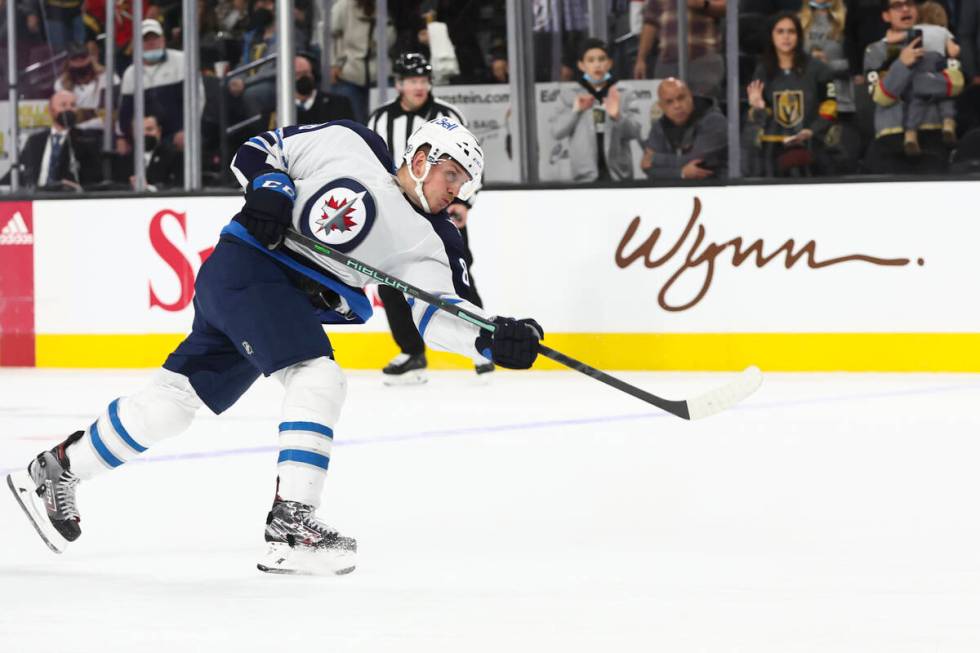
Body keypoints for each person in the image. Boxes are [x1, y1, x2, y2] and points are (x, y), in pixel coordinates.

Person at [6, 116, 543, 575]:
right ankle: (291, 525)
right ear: (423, 156)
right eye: (453, 174)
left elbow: (438, 315)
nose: (457, 190)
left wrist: (493, 337)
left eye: (464, 183)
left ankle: (59, 466)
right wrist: (270, 186)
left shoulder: (434, 241)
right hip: (249, 267)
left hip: (273, 299)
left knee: (171, 405)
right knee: (318, 377)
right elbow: (260, 149)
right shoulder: (349, 140)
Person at [367, 52, 493, 384]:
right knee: (389, 280)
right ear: (399, 84)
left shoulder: (449, 115)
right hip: (395, 212)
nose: (418, 86)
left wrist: (464, 202)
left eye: (423, 80)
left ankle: (481, 342)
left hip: (441, 208)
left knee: (457, 273)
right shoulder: (380, 119)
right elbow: (374, 164)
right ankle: (412, 352)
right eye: (412, 81)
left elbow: (472, 167)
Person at [863, 0, 964, 173]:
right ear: (886, 16)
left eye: (909, 3)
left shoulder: (939, 43)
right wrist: (902, 64)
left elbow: (956, 84)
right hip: (890, 139)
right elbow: (881, 97)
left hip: (932, 135)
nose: (905, 9)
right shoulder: (875, 51)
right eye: (897, 5)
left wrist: (915, 82)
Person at [746, 12, 838, 177]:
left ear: (799, 36)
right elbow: (758, 120)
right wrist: (758, 108)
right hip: (774, 151)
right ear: (771, 36)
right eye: (780, 31)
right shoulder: (762, 71)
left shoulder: (818, 69)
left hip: (812, 148)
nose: (786, 37)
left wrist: (812, 130)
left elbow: (830, 106)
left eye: (791, 31)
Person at [551, 38, 642, 182]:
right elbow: (557, 132)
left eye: (601, 59)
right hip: (584, 177)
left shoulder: (624, 92)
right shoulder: (569, 94)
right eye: (591, 60)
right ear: (581, 65)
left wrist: (617, 116)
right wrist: (575, 111)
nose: (597, 64)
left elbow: (635, 132)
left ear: (610, 63)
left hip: (618, 175)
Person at [119, 19, 203, 149]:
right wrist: (126, 136)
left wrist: (187, 130)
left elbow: (197, 100)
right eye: (146, 39)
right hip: (146, 137)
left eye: (155, 38)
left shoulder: (183, 60)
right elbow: (126, 113)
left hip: (180, 133)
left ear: (163, 39)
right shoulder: (131, 73)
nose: (152, 43)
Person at [632, 0, 727, 98]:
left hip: (703, 59)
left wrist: (704, 5)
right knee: (668, 106)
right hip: (667, 62)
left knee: (702, 106)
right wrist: (641, 59)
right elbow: (650, 23)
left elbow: (728, 8)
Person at [641, 77, 728, 180]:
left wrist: (655, 158)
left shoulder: (713, 120)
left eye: (681, 98)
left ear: (690, 96)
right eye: (669, 102)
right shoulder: (660, 126)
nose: (677, 105)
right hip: (673, 191)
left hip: (716, 187)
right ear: (662, 107)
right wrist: (680, 173)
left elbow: (698, 160)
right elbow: (648, 168)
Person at [902, 1, 960, 154]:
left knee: (916, 101)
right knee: (946, 96)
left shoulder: (914, 30)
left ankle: (910, 133)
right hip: (937, 67)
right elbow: (953, 51)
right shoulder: (943, 31)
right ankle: (948, 123)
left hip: (919, 68)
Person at [16, 89, 102, 190]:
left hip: (67, 198)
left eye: (73, 105)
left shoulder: (86, 140)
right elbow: (20, 171)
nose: (69, 109)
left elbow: (95, 179)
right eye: (63, 105)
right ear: (51, 110)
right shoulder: (34, 141)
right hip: (36, 197)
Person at [113, 113, 183, 190]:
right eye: (139, 130)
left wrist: (150, 188)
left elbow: (178, 187)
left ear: (159, 131)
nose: (144, 134)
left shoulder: (174, 157)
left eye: (149, 129)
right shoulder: (124, 161)